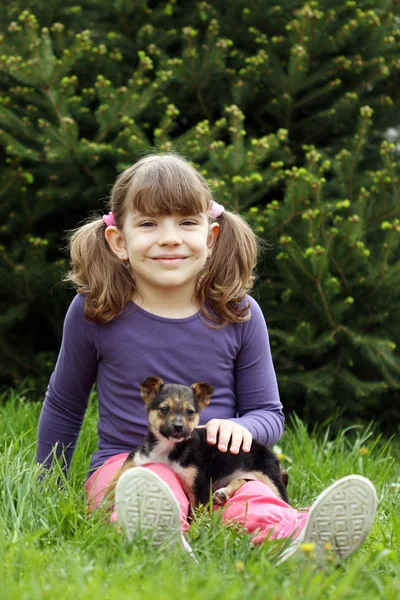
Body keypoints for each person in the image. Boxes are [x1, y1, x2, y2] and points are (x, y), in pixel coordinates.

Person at [36, 152, 377, 562]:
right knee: (143, 486)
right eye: (148, 224)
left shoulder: (239, 314)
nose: (169, 238)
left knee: (250, 495)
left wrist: (241, 428)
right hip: (128, 465)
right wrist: (47, 489)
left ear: (211, 237)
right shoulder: (96, 310)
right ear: (119, 241)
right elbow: (64, 406)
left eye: (186, 222)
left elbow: (268, 413)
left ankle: (301, 539)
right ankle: (159, 539)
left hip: (218, 469)